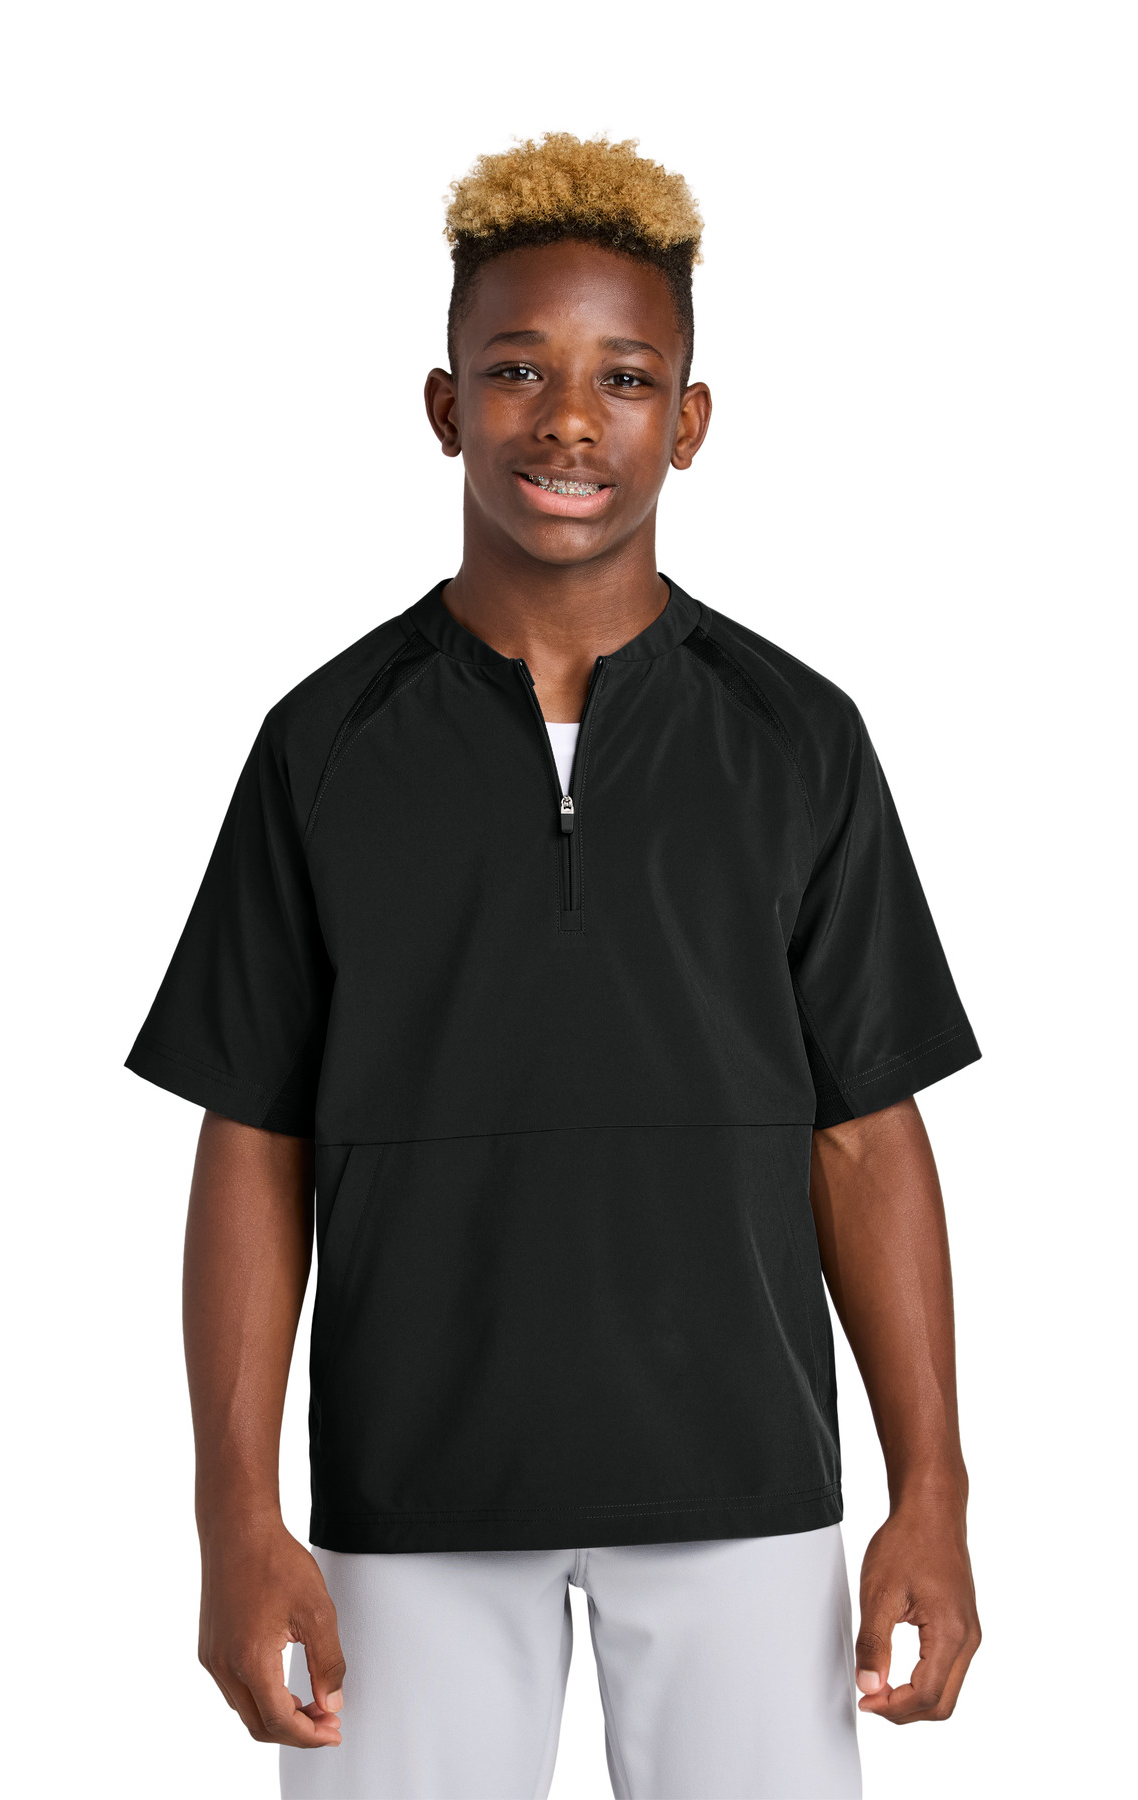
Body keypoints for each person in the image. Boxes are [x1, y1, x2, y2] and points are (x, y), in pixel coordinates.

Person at [126, 132, 982, 1800]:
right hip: (412, 1504)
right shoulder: (325, 746)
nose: (571, 420)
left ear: (691, 420)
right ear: (445, 406)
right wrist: (237, 1521)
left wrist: (931, 1493)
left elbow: (868, 1131)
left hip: (744, 1490)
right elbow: (252, 1136)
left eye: (625, 378)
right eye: (518, 370)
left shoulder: (797, 738)